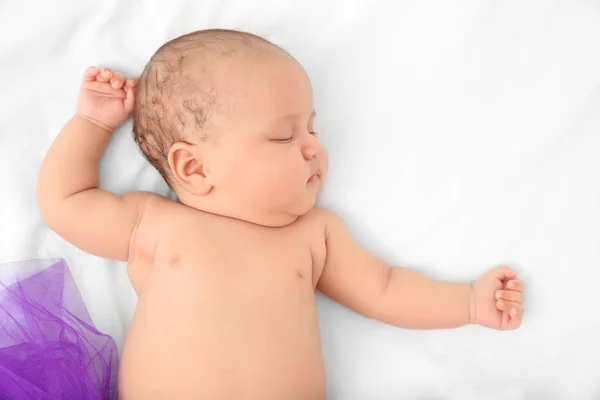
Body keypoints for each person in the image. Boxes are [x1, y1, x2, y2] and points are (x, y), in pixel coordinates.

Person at [37, 29, 525, 400]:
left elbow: (386, 289)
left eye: (312, 129)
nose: (314, 147)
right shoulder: (156, 224)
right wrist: (91, 124)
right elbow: (67, 200)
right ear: (194, 166)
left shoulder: (315, 234)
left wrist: (467, 303)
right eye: (284, 136)